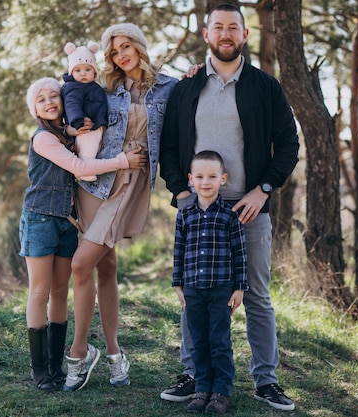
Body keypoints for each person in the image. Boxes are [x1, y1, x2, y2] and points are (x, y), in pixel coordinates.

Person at [159, 3, 299, 411]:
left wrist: (264, 189)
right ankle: (194, 375)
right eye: (217, 27)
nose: (225, 34)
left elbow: (288, 144)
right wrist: (181, 194)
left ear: (244, 35)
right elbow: (168, 148)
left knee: (256, 295)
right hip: (198, 208)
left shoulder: (265, 87)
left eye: (232, 28)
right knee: (194, 296)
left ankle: (266, 381)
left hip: (247, 207)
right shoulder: (186, 88)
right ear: (206, 35)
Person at [63, 23, 178, 392]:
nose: (120, 56)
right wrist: (69, 130)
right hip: (96, 181)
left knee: (82, 263)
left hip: (130, 184)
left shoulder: (171, 87)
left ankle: (79, 354)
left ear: (140, 46)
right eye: (113, 52)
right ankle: (114, 354)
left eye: (125, 47)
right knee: (105, 265)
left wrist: (196, 72)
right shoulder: (106, 87)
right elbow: (73, 108)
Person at [21, 77, 146, 391]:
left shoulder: (66, 135)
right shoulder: (43, 140)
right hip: (39, 220)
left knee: (61, 290)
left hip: (66, 222)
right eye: (41, 99)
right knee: (40, 291)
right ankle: (40, 372)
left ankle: (56, 367)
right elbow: (79, 166)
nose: (49, 102)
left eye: (54, 96)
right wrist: (122, 162)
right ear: (34, 109)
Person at [172, 150, 248, 414]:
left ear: (223, 179)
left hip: (221, 290)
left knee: (219, 341)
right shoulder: (185, 215)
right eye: (200, 176)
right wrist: (178, 285)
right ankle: (202, 388)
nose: (206, 182)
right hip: (192, 289)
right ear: (191, 179)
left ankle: (221, 392)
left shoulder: (229, 215)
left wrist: (239, 287)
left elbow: (240, 252)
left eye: (212, 176)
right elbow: (178, 251)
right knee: (198, 341)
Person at [61, 41, 108, 181]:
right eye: (77, 70)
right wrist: (77, 120)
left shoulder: (95, 87)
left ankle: (88, 167)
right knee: (87, 148)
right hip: (85, 125)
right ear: (71, 72)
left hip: (97, 124)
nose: (83, 74)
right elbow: (71, 104)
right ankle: (85, 171)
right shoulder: (73, 87)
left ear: (94, 72)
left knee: (95, 147)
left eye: (87, 70)